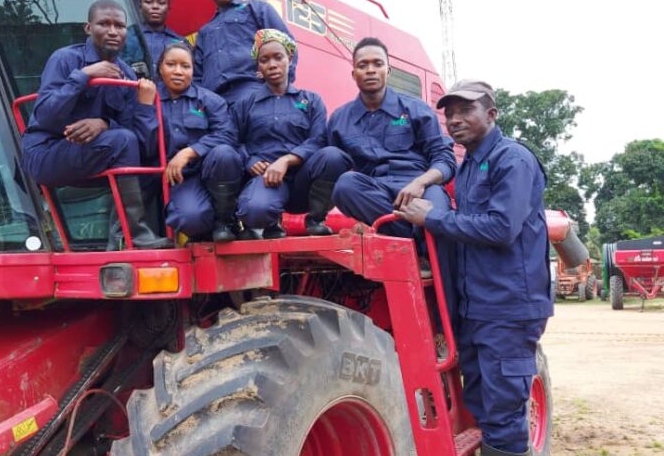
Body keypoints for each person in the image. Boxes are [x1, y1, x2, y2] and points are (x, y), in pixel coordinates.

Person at [395, 80, 553, 456]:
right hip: (480, 304)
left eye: (466, 111)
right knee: (484, 403)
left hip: (508, 305)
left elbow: (502, 227)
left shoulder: (513, 161)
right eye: (449, 113)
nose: (455, 119)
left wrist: (432, 218)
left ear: (492, 113)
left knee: (504, 407)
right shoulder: (467, 167)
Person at [21, 0, 172, 250]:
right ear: (88, 28)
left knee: (153, 162)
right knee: (123, 141)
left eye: (120, 26)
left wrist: (105, 122)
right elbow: (46, 116)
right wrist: (84, 76)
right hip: (47, 152)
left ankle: (121, 239)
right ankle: (134, 234)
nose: (113, 31)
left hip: (94, 154)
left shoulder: (126, 73)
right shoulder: (65, 59)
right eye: (104, 24)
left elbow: (137, 140)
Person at [328, 37, 457, 309]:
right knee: (344, 185)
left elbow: (445, 160)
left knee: (437, 208)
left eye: (377, 64)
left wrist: (420, 183)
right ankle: (414, 243)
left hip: (420, 186)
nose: (371, 70)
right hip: (378, 195)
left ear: (389, 70)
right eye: (363, 65)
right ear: (354, 73)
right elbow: (326, 159)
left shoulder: (416, 109)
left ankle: (450, 307)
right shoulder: (340, 119)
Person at [229, 29, 352, 238]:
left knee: (333, 155)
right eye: (264, 60)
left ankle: (316, 219)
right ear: (258, 66)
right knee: (254, 211)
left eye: (278, 57)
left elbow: (319, 139)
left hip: (304, 179)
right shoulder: (245, 104)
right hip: (267, 179)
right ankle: (270, 223)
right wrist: (249, 160)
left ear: (290, 58)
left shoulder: (311, 100)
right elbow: (232, 139)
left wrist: (287, 160)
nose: (272, 64)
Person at [155, 40, 243, 242]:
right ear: (160, 68)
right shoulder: (149, 100)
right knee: (190, 218)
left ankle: (226, 221)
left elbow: (228, 135)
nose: (178, 71)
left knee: (225, 153)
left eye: (185, 66)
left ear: (193, 70)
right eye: (171, 65)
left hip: (211, 170)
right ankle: (204, 232)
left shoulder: (210, 100)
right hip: (180, 179)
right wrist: (142, 107)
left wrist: (190, 151)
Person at [194, 0, 297, 105]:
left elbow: (287, 44)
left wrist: (282, 84)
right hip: (215, 103)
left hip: (251, 92)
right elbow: (197, 75)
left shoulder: (256, 8)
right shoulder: (205, 31)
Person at [138, 0, 182, 68]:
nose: (155, 6)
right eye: (148, 2)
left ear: (169, 8)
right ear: (140, 6)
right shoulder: (127, 38)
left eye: (161, 3)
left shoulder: (180, 43)